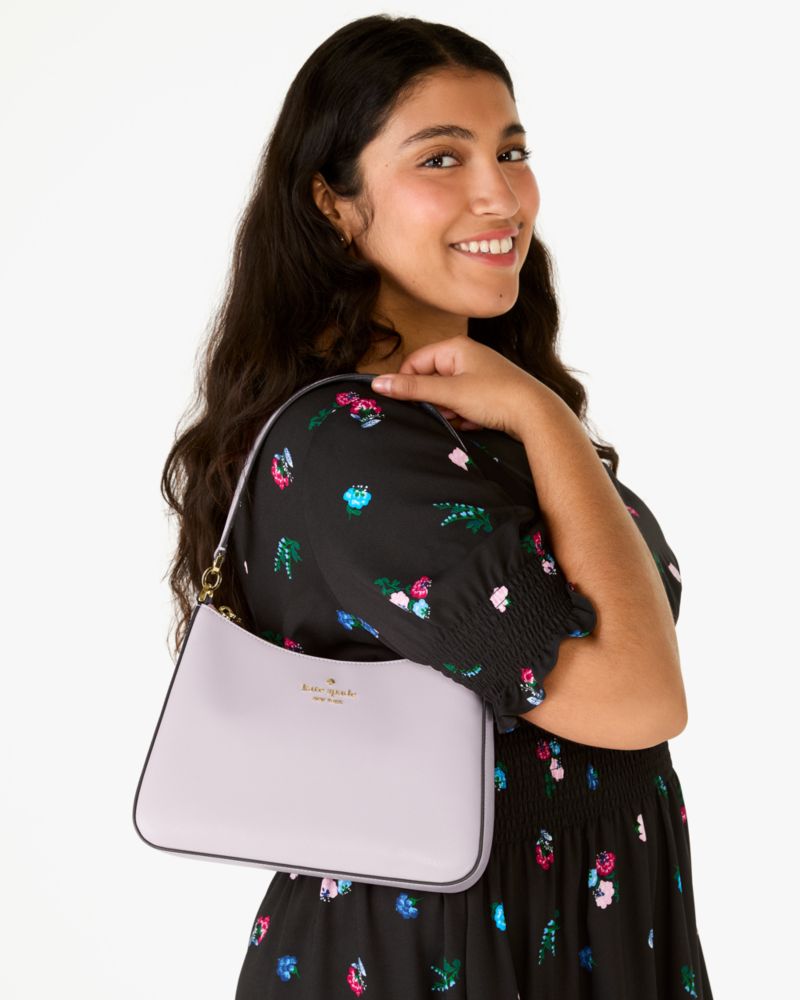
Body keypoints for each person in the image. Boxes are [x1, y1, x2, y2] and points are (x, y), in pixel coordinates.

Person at [161, 14, 713, 999]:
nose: (499, 194)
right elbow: (642, 698)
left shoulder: (470, 414)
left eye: (511, 151)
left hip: (570, 917)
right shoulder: (350, 446)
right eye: (441, 158)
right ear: (333, 203)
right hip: (445, 949)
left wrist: (529, 409)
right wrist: (543, 418)